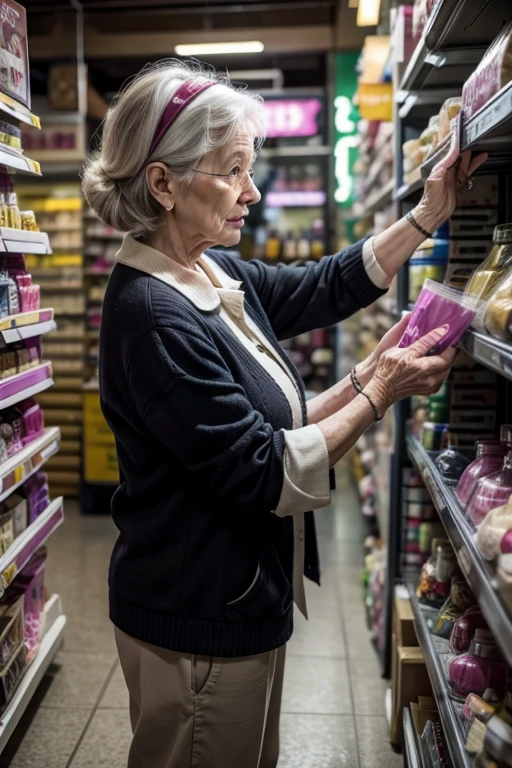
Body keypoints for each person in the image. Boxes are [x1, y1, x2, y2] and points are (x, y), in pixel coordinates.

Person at [82, 61, 485, 768]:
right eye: (232, 169)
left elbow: (324, 284)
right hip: (195, 622)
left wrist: (426, 217)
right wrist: (378, 390)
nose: (252, 190)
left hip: (236, 603)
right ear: (163, 183)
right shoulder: (152, 314)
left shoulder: (211, 268)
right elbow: (266, 471)